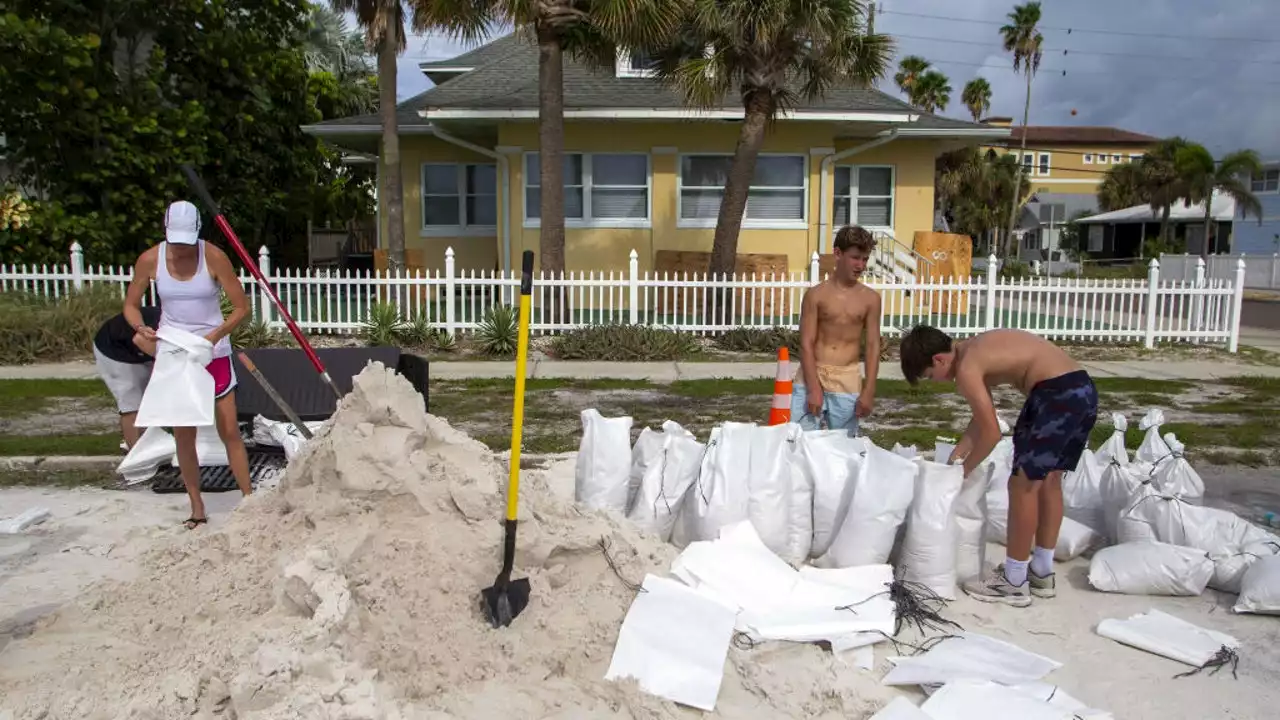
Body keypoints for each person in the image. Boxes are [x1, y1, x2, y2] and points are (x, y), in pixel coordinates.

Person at [899, 325, 1098, 607]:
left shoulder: (967, 367)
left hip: (1052, 396)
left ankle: (1014, 581)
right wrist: (958, 454)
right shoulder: (976, 349)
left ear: (939, 360)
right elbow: (981, 419)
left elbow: (992, 432)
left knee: (1021, 485)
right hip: (1081, 390)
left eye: (931, 376)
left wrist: (964, 471)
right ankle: (1041, 571)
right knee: (1050, 480)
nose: (937, 382)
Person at [123, 200, 253, 529]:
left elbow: (241, 308)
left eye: (186, 240)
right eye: (175, 240)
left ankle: (249, 500)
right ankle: (196, 506)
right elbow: (131, 305)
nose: (181, 248)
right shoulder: (150, 259)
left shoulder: (213, 256)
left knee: (229, 429)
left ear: (196, 233)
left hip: (212, 351)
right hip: (176, 352)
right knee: (185, 434)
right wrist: (140, 327)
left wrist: (214, 336)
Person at [792, 225, 882, 435]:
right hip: (811, 374)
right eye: (855, 257)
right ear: (838, 253)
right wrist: (813, 387)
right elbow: (805, 342)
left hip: (847, 376)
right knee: (800, 442)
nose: (860, 265)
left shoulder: (870, 299)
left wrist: (869, 390)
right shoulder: (816, 295)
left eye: (865, 259)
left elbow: (872, 346)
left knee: (844, 447)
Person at [92, 306, 162, 449]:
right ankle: (136, 458)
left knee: (154, 399)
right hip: (114, 347)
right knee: (131, 402)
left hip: (141, 349)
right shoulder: (166, 323)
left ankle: (151, 447)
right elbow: (140, 339)